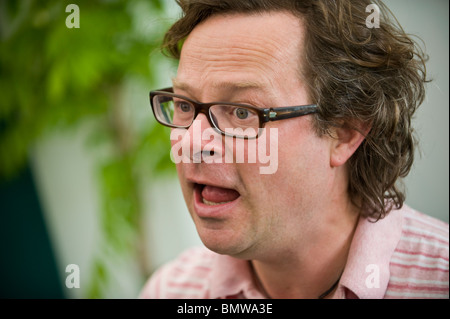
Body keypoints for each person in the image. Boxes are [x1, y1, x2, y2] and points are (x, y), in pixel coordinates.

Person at [140, 0, 449, 299]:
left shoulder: (438, 282)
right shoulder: (171, 291)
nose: (192, 143)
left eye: (241, 112)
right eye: (183, 104)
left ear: (345, 132)